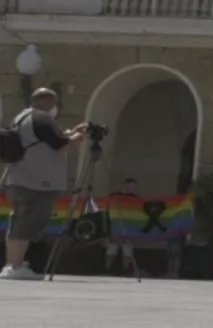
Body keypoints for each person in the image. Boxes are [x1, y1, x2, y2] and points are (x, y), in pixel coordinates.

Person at [1, 88, 87, 280]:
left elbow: (49, 140)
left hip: (20, 178)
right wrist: (79, 137)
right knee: (28, 222)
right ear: (51, 104)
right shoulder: (42, 118)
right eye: (56, 104)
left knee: (19, 222)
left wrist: (70, 133)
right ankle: (14, 266)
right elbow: (62, 145)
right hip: (37, 181)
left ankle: (13, 263)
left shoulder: (23, 118)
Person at [105, 177, 139, 276]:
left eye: (134, 187)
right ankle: (107, 269)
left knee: (127, 250)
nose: (133, 189)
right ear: (125, 185)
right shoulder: (113, 196)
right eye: (131, 187)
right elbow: (107, 209)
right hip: (115, 226)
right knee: (112, 248)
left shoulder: (135, 199)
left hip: (129, 228)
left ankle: (126, 270)